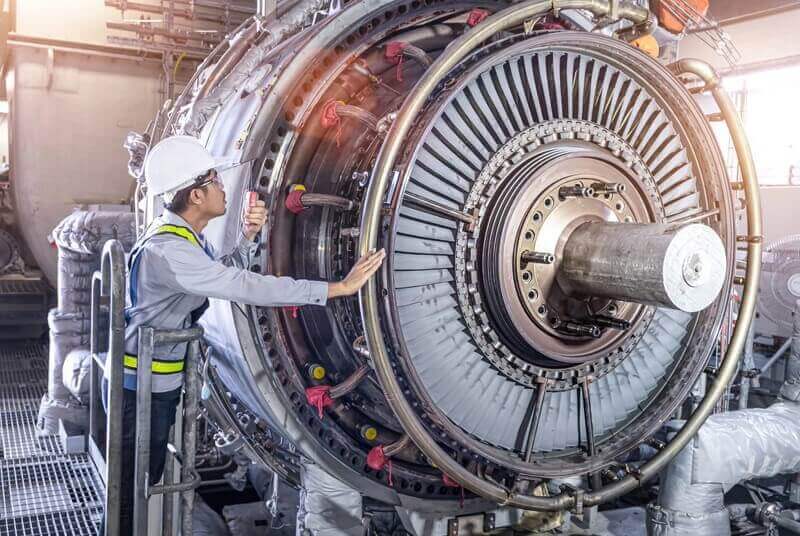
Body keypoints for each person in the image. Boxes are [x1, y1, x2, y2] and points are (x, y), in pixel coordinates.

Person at [102, 135, 385, 535]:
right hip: (140, 390)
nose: (223, 188)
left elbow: (217, 276)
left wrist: (248, 238)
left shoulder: (181, 239)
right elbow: (245, 286)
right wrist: (334, 288)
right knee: (129, 502)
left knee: (135, 489)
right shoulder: (170, 251)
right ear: (196, 195)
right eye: (215, 181)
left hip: (152, 384)